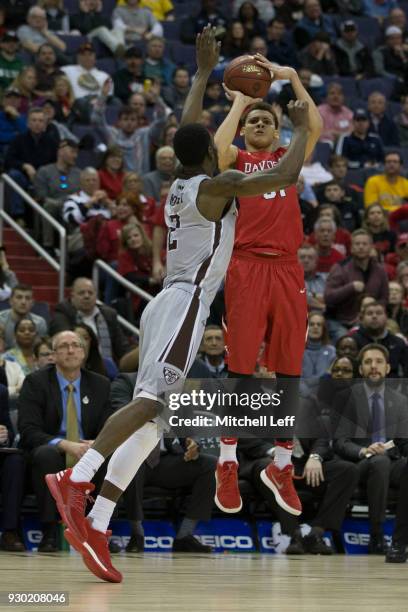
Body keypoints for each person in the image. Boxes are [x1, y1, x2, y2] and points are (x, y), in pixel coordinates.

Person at [45, 26, 309, 583]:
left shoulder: (183, 178)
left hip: (166, 301)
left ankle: (99, 518)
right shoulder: (218, 186)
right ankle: (78, 477)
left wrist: (204, 73)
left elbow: (191, 124)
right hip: (187, 302)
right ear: (210, 156)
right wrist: (303, 115)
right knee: (150, 405)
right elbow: (286, 172)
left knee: (154, 423)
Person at [214, 56, 322, 517]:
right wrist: (240, 102)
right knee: (240, 370)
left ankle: (281, 464)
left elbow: (312, 127)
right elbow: (216, 151)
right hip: (246, 268)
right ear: (245, 129)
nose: (259, 123)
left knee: (290, 371)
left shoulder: (286, 159)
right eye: (253, 120)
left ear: (277, 132)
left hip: (288, 270)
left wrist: (292, 77)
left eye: (266, 119)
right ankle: (226, 461)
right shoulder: (238, 160)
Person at [18, 330, 112, 552]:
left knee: (107, 458)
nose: (71, 350)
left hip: (87, 451)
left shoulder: (101, 384)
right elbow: (28, 430)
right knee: (46, 455)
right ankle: (49, 532)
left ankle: (97, 530)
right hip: (53, 451)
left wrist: (95, 445)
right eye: (63, 346)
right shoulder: (36, 382)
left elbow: (109, 427)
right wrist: (65, 445)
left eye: (76, 345)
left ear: (84, 352)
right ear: (54, 354)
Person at [111, 372, 217, 553]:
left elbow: (187, 429)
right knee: (132, 462)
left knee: (209, 464)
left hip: (165, 460)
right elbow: (121, 415)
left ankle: (185, 535)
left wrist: (191, 444)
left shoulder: (178, 388)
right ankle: (137, 534)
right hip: (135, 454)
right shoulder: (126, 382)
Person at [334, 343, 408, 554]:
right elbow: (340, 442)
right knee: (380, 462)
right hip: (358, 462)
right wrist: (365, 450)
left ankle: (402, 539)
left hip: (391, 459)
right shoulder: (345, 397)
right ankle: (377, 536)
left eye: (378, 362)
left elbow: (402, 441)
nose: (373, 366)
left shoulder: (401, 401)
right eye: (368, 362)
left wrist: (390, 449)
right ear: (360, 369)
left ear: (387, 368)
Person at [324, 229, 389, 339]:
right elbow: (328, 297)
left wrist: (373, 306)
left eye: (364, 244)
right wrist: (350, 288)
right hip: (342, 321)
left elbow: (384, 298)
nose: (361, 247)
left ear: (371, 247)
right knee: (346, 339)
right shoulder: (340, 268)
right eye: (357, 244)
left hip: (370, 321)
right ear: (351, 247)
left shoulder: (380, 270)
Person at [50, 277, 128, 365]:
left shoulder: (108, 314)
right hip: (79, 367)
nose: (87, 296)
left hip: (111, 369)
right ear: (72, 296)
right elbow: (63, 346)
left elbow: (122, 348)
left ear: (96, 295)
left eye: (90, 293)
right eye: (81, 293)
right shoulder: (62, 314)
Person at [349, 301, 408, 378]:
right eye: (369, 313)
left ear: (386, 317)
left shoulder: (398, 343)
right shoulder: (352, 341)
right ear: (361, 318)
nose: (374, 316)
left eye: (379, 313)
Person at [0, 383, 25, 552]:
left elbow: (7, 428)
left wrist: (4, 435)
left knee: (15, 461)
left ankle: (10, 531)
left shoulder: (0, 391)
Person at [0, 284, 47, 349]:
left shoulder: (39, 323)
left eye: (27, 298)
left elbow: (39, 351)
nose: (23, 302)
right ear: (11, 301)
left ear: (32, 303)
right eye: (19, 297)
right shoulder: (0, 320)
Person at [300, 312, 336, 398]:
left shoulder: (331, 351)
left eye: (319, 325)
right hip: (302, 395)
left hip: (325, 395)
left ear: (324, 329)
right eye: (311, 324)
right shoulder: (297, 351)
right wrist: (308, 394)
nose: (315, 327)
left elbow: (329, 379)